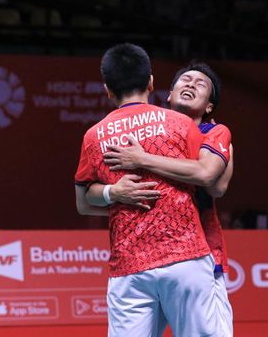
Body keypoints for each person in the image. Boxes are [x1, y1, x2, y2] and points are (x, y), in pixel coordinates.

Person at [74, 44, 223, 337]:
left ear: (107, 90)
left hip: (129, 268)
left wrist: (112, 193)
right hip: (186, 258)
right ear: (151, 82)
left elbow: (83, 203)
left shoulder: (94, 136)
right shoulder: (181, 124)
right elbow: (211, 181)